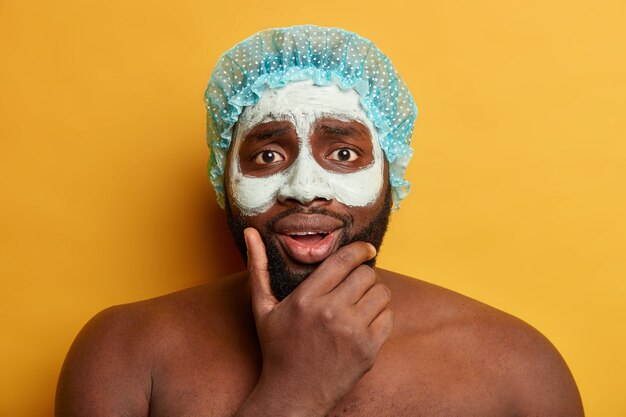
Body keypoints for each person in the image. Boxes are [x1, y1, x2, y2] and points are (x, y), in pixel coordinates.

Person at [55, 25, 584, 417]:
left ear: (390, 177)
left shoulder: (519, 369)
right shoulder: (123, 351)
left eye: (344, 155)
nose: (305, 187)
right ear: (223, 179)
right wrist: (293, 393)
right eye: (266, 156)